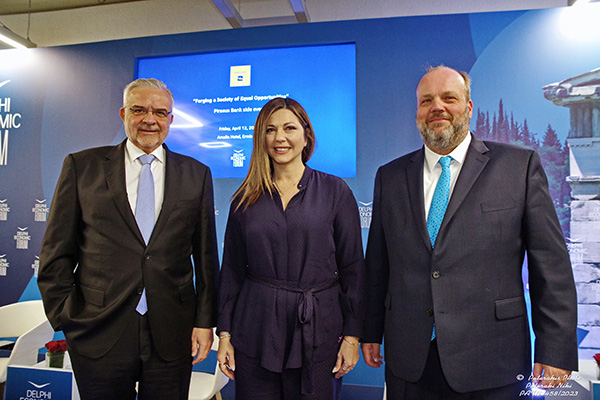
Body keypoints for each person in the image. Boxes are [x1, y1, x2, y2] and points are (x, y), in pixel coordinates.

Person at [361, 66, 578, 399]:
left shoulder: (518, 167)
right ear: (417, 112)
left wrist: (556, 349)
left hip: (493, 358)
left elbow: (551, 266)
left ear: (469, 107)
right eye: (426, 101)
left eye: (449, 98)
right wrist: (370, 331)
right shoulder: (389, 177)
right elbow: (378, 266)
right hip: (410, 360)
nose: (437, 107)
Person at [38, 78, 219, 400]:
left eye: (160, 112)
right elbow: (56, 251)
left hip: (172, 331)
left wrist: (205, 322)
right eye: (139, 110)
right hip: (98, 330)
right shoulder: (82, 166)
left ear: (171, 119)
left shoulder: (196, 174)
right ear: (123, 114)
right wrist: (67, 317)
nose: (150, 119)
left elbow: (206, 259)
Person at [216, 97, 365, 400]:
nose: (279, 138)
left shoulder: (335, 191)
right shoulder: (244, 199)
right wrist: (225, 334)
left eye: (289, 128)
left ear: (306, 135)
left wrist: (352, 336)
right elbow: (231, 271)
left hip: (319, 330)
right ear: (261, 138)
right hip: (255, 330)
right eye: (270, 130)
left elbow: (353, 269)